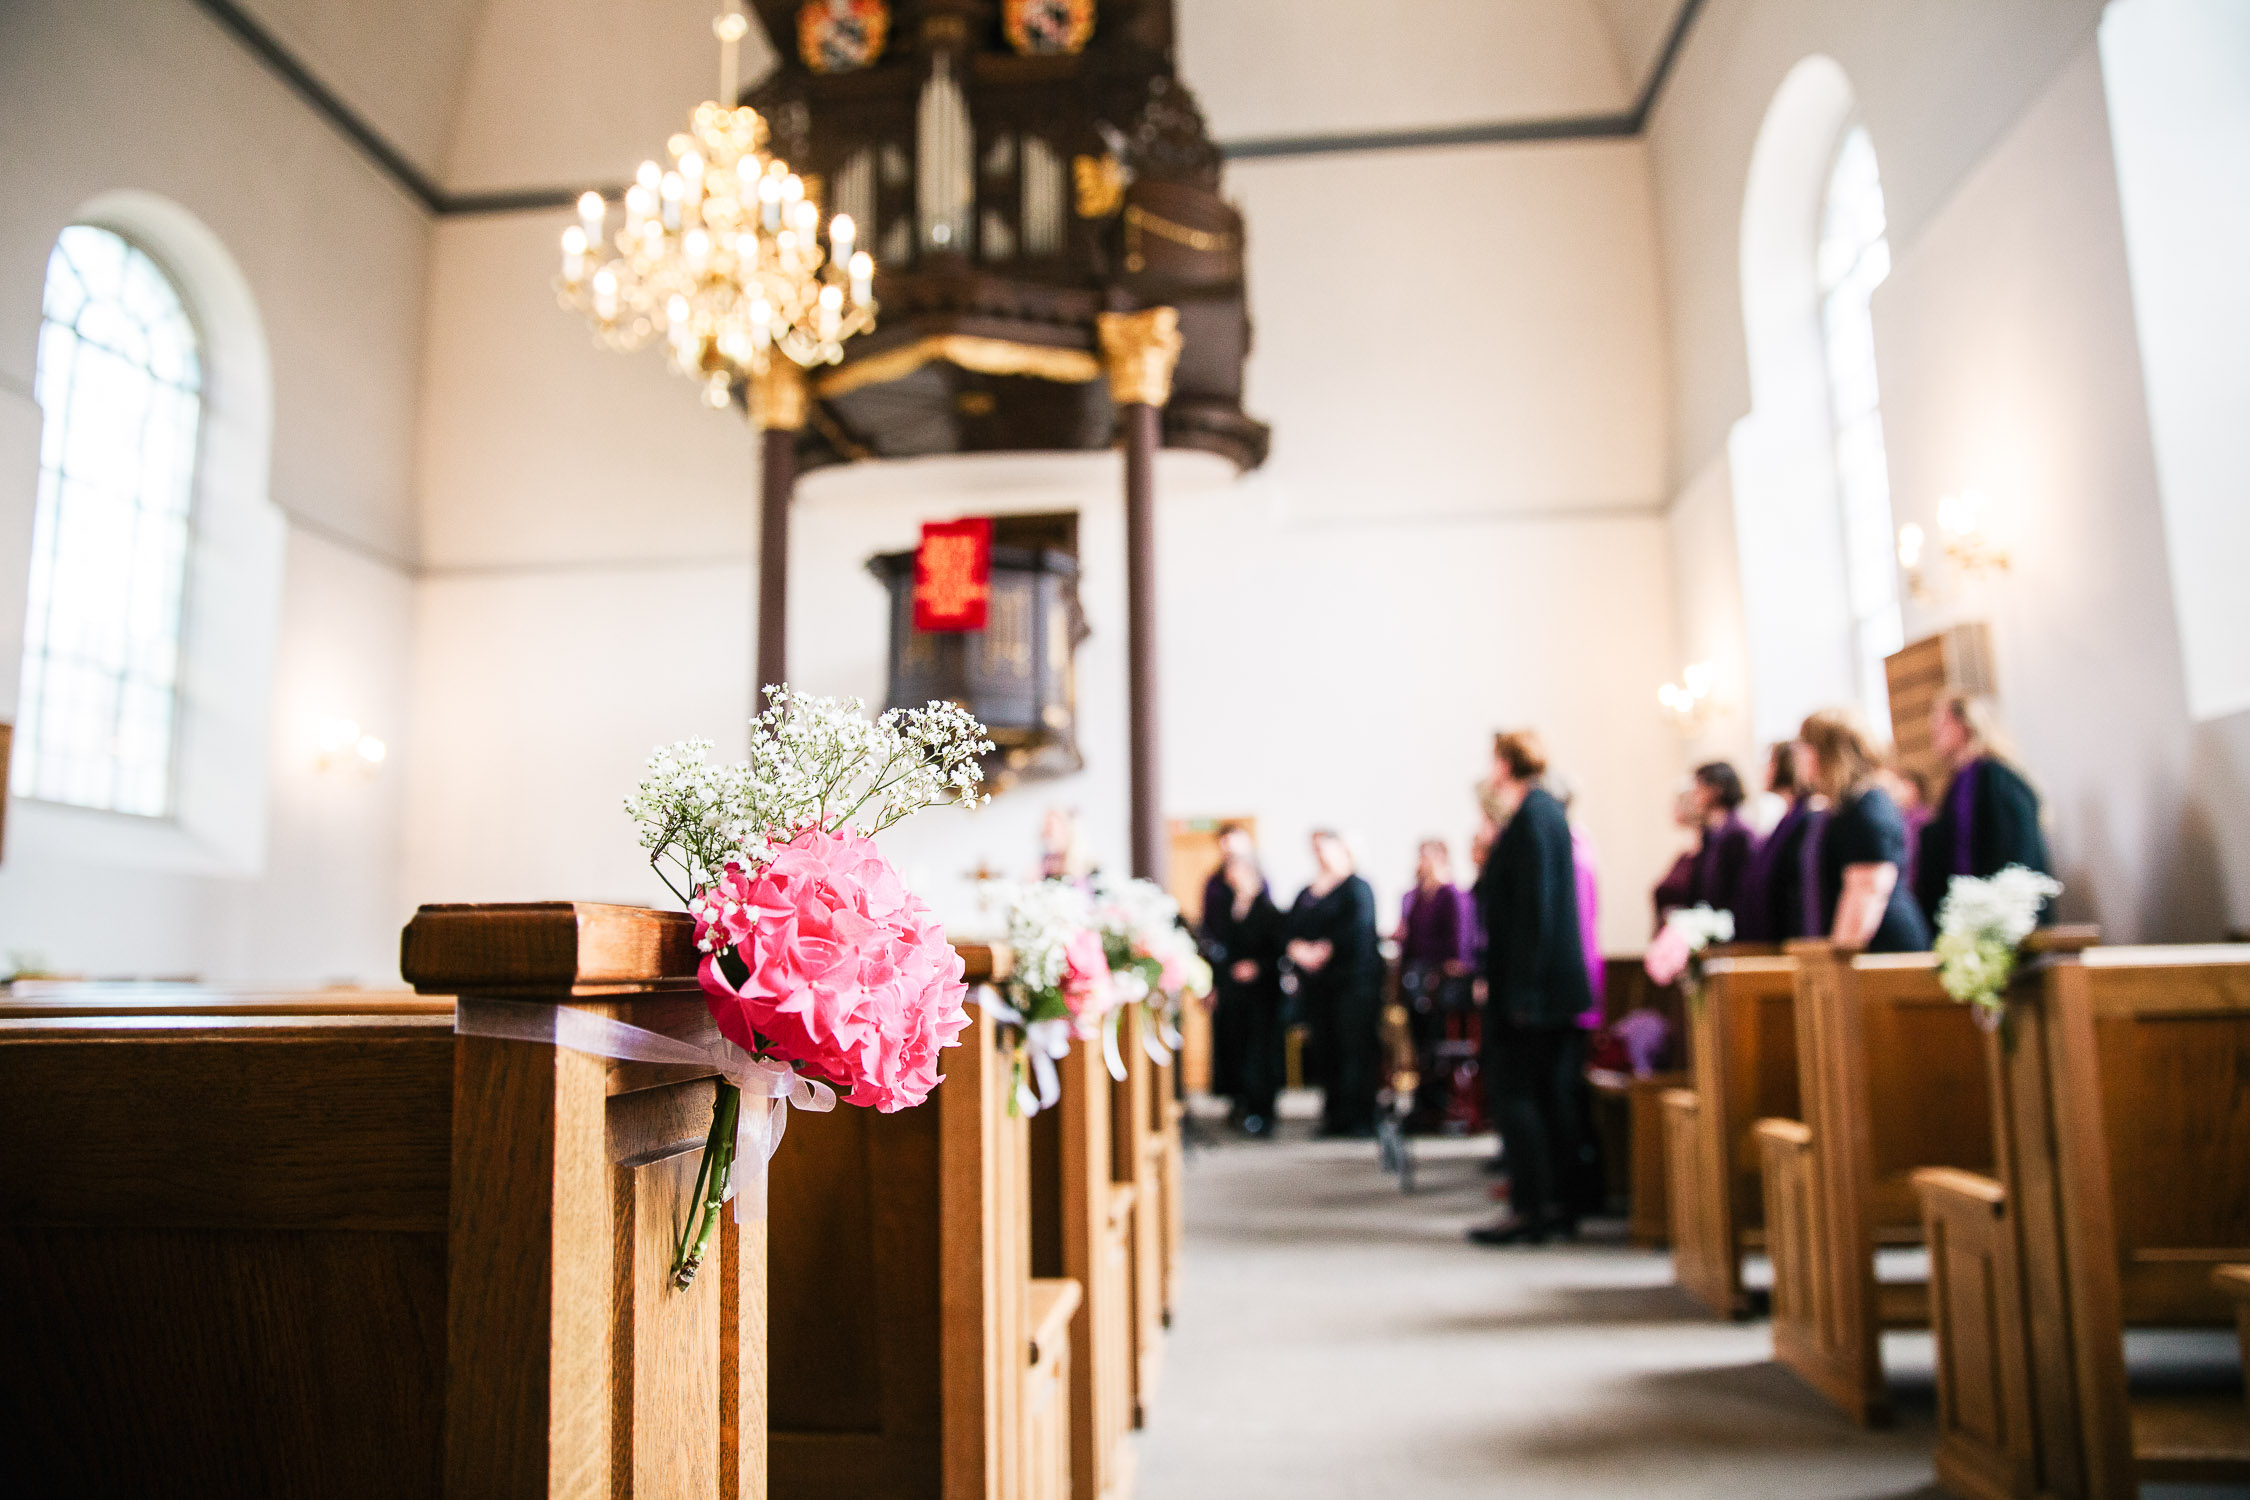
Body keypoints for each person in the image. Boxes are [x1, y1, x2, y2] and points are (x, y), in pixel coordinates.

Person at [1469, 729, 1595, 1246]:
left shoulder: (1534, 816)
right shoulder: (1539, 814)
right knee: (1541, 1096)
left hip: (1534, 993)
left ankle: (1537, 1205)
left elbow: (1535, 913)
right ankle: (1551, 1203)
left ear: (1505, 764)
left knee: (1520, 1095)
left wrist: (1520, 994)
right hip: (1537, 989)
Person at [1914, 693, 2055, 929]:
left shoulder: (1994, 777)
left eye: (1941, 721)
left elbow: (2012, 854)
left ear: (1966, 725)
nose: (1933, 730)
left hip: (2002, 919)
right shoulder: (1961, 781)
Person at [1798, 709, 1932, 953]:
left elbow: (1867, 890)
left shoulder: (1868, 806)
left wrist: (1837, 964)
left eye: (1806, 746)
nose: (1800, 755)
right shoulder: (1847, 805)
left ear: (1831, 753)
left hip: (1884, 950)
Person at [1285, 830, 1381, 1138]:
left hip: (1354, 984)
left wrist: (1324, 950)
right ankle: (1335, 1115)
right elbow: (1289, 928)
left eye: (1324, 847)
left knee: (1354, 1049)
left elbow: (1358, 930)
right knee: (1326, 1050)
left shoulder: (1357, 887)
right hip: (1318, 986)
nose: (1319, 854)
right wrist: (1298, 949)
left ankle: (1359, 1117)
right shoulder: (1307, 892)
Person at [1200, 825, 1286, 1135]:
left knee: (1259, 1053)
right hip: (1234, 991)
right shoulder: (1225, 906)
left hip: (1261, 994)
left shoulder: (1267, 909)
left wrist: (1258, 968)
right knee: (1235, 1050)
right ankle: (1242, 1105)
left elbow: (1277, 951)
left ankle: (1263, 1111)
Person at [1395, 839, 1475, 1131]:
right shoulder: (1416, 897)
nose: (1420, 862)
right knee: (1421, 1046)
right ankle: (1424, 1103)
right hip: (1417, 979)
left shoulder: (1451, 894)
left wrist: (1446, 970)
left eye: (1425, 856)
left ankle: (1439, 1105)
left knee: (1438, 1044)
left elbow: (1459, 941)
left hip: (1440, 983)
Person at [1736, 741, 1823, 942]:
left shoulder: (1807, 816)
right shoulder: (1786, 818)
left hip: (1793, 934)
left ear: (1787, 766)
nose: (1762, 770)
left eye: (1769, 763)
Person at [1685, 762, 1753, 918]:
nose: (1694, 793)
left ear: (1717, 790)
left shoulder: (1738, 835)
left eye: (1699, 786)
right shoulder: (1710, 834)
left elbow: (1739, 892)